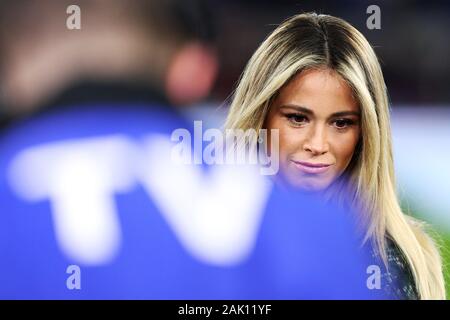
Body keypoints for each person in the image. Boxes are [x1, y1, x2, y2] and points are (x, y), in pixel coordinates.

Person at [225, 12, 445, 300]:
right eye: (297, 118)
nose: (317, 144)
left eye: (341, 123)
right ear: (259, 117)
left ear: (366, 133)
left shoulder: (400, 260)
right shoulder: (199, 239)